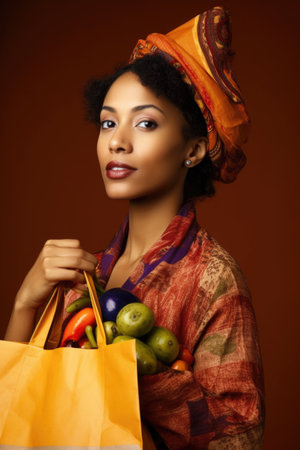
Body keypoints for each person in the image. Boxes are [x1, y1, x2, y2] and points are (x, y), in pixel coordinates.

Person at [4, 6, 265, 449]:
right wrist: (24, 303)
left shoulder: (213, 278)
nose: (117, 141)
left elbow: (243, 434)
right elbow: (17, 405)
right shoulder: (84, 276)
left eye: (145, 123)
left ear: (195, 149)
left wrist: (137, 371)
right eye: (108, 122)